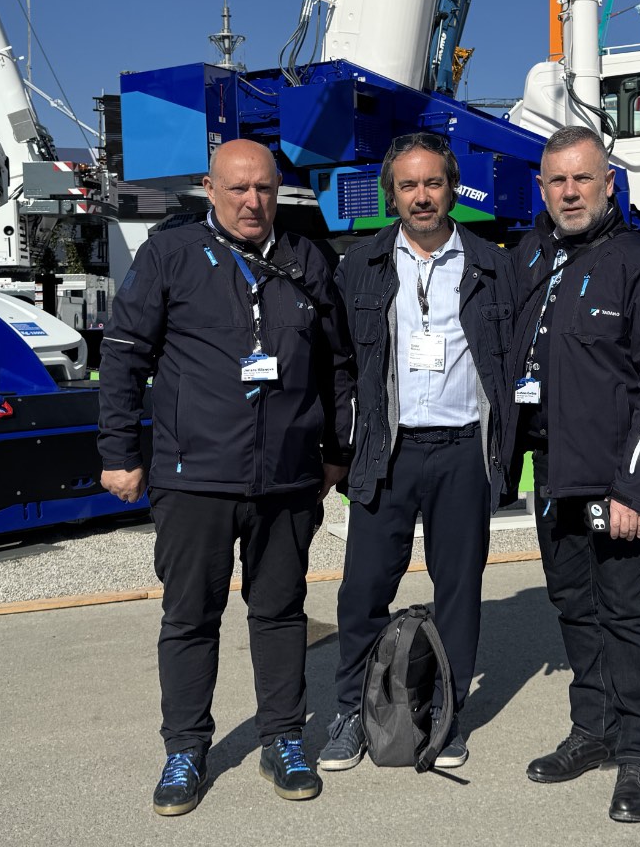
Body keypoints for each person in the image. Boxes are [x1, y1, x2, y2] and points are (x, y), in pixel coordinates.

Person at [97, 138, 354, 817]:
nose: (252, 202)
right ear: (210, 189)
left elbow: (337, 366)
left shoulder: (306, 261)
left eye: (264, 189)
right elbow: (124, 355)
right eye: (238, 189)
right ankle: (185, 748)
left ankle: (283, 739)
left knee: (279, 614)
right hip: (195, 477)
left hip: (287, 480)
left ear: (278, 192)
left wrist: (337, 449)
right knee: (189, 619)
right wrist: (118, 452)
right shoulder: (171, 255)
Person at [318, 132, 517, 773]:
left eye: (432, 183)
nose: (422, 196)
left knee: (459, 589)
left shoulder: (491, 264)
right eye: (409, 185)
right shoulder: (361, 266)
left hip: (462, 450)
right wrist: (343, 445)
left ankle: (446, 716)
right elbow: (341, 363)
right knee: (362, 590)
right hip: (390, 449)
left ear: (451, 187)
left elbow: (513, 363)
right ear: (391, 194)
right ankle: (352, 710)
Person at [511, 126, 640, 824]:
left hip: (611, 482)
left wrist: (633, 488)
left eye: (582, 179)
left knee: (624, 611)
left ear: (608, 183)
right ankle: (594, 731)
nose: (570, 192)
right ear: (542, 188)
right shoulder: (529, 258)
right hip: (552, 475)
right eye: (557, 181)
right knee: (573, 604)